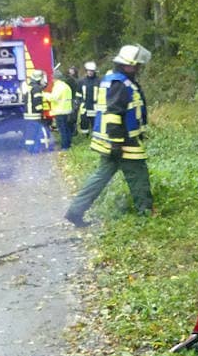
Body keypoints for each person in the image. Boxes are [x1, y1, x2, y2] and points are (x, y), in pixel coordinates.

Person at [65, 45, 153, 227]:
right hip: (122, 141)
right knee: (138, 175)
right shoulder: (119, 84)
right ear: (127, 65)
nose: (138, 69)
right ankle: (145, 213)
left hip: (116, 140)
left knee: (100, 177)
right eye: (136, 65)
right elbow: (114, 114)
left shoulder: (115, 79)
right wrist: (116, 144)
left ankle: (75, 211)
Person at [22, 70, 53, 153]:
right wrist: (42, 113)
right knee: (42, 130)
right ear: (39, 79)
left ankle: (29, 149)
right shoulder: (37, 89)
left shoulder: (29, 87)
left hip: (28, 114)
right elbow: (38, 102)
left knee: (30, 133)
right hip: (35, 115)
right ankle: (43, 148)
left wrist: (44, 85)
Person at [48, 71, 75, 150]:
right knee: (67, 129)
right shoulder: (65, 86)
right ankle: (68, 144)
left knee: (62, 130)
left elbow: (53, 98)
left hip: (60, 111)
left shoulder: (58, 86)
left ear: (55, 78)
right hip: (67, 110)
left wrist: (44, 94)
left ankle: (65, 146)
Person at [75, 61, 99, 135]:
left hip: (95, 106)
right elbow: (78, 94)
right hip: (84, 105)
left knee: (95, 122)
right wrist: (78, 102)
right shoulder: (81, 81)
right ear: (86, 71)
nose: (90, 72)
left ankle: (95, 135)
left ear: (94, 71)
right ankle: (85, 136)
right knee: (84, 122)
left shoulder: (99, 81)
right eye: (88, 70)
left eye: (91, 71)